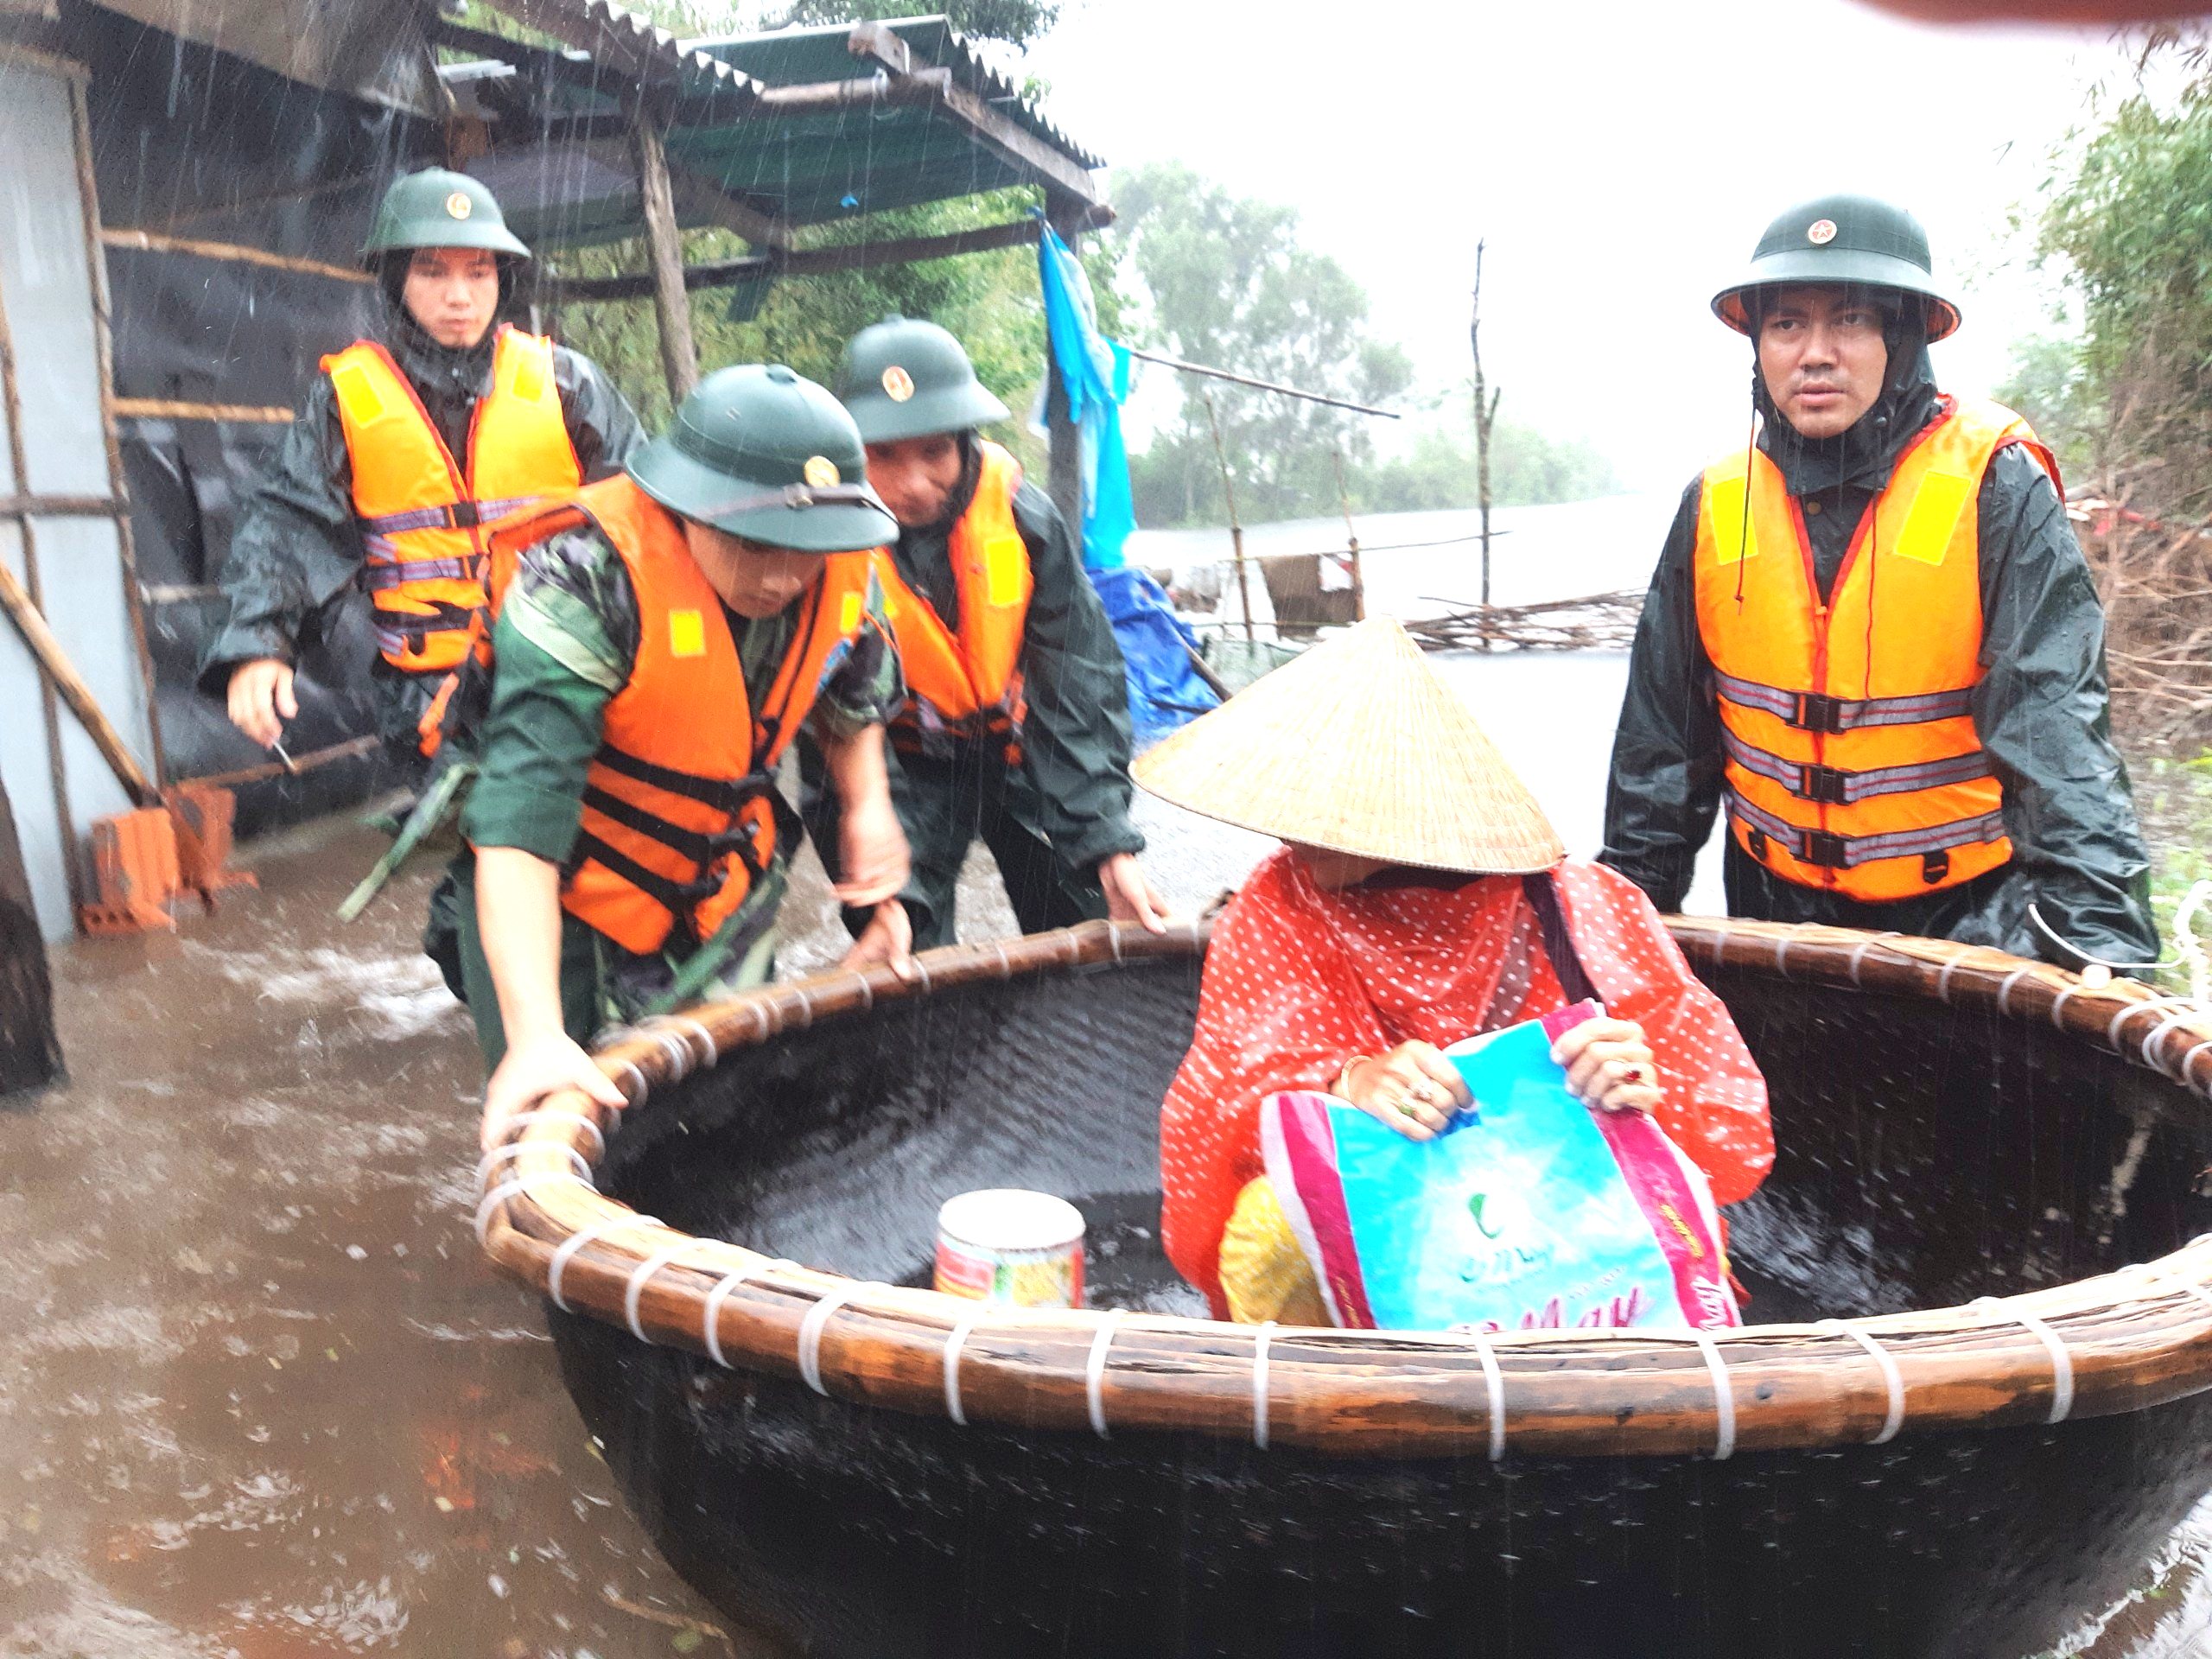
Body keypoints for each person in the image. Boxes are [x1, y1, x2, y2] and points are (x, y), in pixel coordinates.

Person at [1138, 618, 1773, 1324]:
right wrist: (1346, 1081)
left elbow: (1723, 1132)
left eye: (1316, 812)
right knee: (1270, 1229)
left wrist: (1634, 1085)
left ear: (1391, 810)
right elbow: (1228, 1095)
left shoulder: (1580, 905)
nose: (1286, 832)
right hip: (1387, 1230)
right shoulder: (1277, 903)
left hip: (1568, 1235)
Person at [1601, 194, 2158, 969]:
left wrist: (2101, 933)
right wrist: (1628, 916)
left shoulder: (1995, 483)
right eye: (1787, 323)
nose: (1816, 353)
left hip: (1967, 918)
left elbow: (2057, 729)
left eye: (1852, 321)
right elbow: (1661, 749)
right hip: (1773, 909)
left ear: (1903, 337)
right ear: (1758, 344)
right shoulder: (1716, 504)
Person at [449, 365, 912, 1146]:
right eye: (750, 541)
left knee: (725, 1118)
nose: (777, 575)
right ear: (685, 504)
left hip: (721, 876)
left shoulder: (842, 566)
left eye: (803, 551)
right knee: (562, 1124)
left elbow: (850, 697)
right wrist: (534, 1034)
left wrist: (867, 810)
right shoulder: (583, 584)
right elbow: (520, 820)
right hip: (567, 888)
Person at [200, 167, 640, 774]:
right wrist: (257, 643)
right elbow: (285, 522)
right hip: (427, 699)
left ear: (501, 279)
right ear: (395, 282)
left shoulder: (569, 385)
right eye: (432, 272)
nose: (459, 296)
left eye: (478, 272)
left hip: (564, 675)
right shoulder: (346, 396)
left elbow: (644, 522)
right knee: (470, 853)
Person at [809, 315, 1166, 957]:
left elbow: (1078, 679)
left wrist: (1107, 842)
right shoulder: (821, 551)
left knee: (1087, 917)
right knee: (904, 942)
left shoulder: (1026, 522)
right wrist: (883, 888)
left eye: (934, 452)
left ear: (966, 443)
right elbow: (826, 724)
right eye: (882, 455)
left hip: (1022, 750)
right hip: (905, 762)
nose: (912, 484)